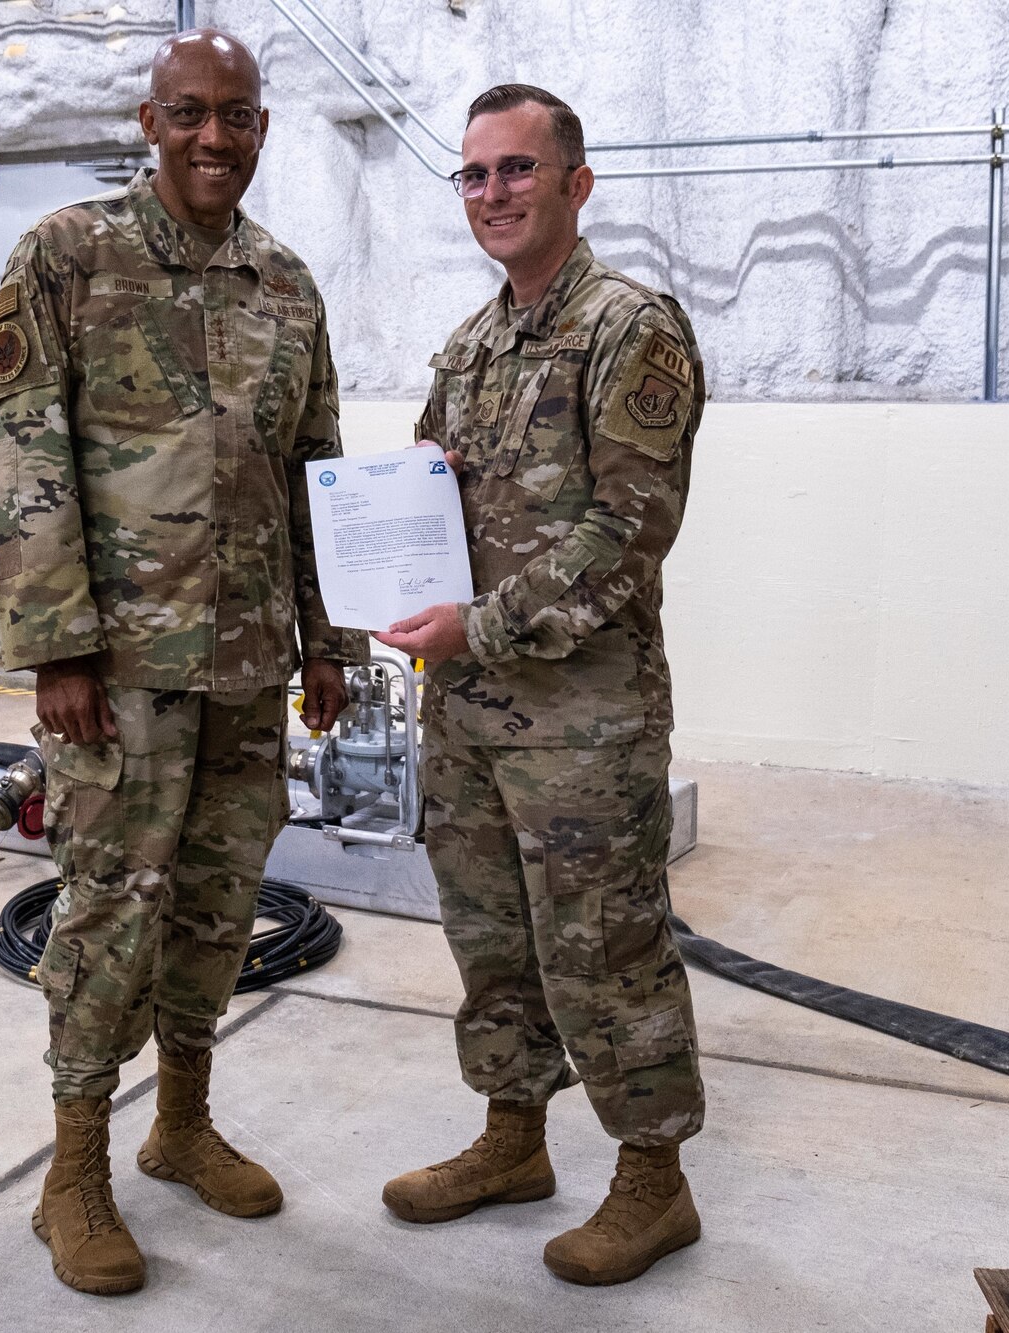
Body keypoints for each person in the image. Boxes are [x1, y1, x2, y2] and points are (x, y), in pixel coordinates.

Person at [0, 29, 365, 1297]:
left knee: (217, 900)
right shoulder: (66, 254)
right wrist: (57, 647)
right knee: (105, 910)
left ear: (261, 127)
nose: (214, 137)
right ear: (148, 122)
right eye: (189, 113)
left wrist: (328, 639)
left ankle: (181, 1122)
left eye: (237, 116)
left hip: (250, 662)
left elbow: (317, 471)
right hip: (118, 667)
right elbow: (20, 448)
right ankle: (72, 1170)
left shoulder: (287, 283)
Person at [375, 84, 708, 1287]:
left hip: (583, 718)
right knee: (491, 944)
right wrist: (408, 507)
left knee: (605, 950)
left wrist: (477, 624)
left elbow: (624, 535)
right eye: (472, 175)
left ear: (574, 182)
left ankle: (651, 1180)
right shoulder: (470, 344)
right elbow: (428, 487)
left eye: (516, 170)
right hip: (467, 711)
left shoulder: (631, 329)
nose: (492, 195)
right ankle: (512, 1141)